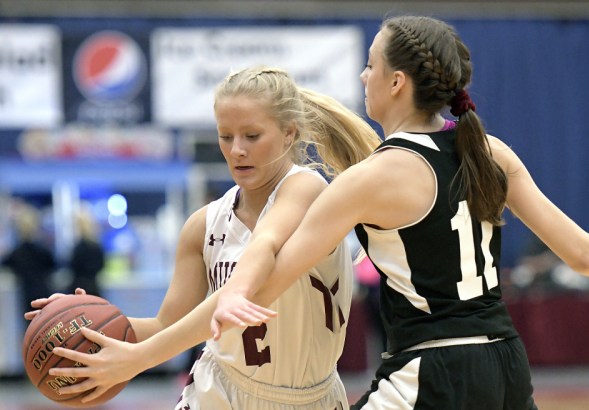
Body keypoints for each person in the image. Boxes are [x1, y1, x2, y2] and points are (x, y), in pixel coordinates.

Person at [46, 16, 589, 410]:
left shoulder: (369, 179)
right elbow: (582, 253)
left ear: (397, 82)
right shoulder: (490, 151)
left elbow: (261, 277)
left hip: (431, 368)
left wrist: (137, 359)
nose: (363, 78)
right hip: (506, 363)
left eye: (370, 66)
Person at [28, 66, 381, 409]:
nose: (237, 149)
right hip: (220, 390)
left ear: (289, 133)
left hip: (307, 398)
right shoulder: (203, 225)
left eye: (252, 136)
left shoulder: (306, 188)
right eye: (225, 136)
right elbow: (167, 325)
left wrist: (140, 358)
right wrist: (79, 322)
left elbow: (266, 241)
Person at [2, 203, 56, 318]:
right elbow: (53, 266)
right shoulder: (43, 250)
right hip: (43, 291)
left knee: (30, 325)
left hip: (26, 293)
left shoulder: (17, 253)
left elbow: (6, 265)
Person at [66, 209, 105, 297]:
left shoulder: (78, 248)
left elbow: (73, 266)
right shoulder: (96, 246)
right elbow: (101, 265)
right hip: (93, 287)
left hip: (78, 288)